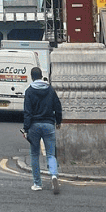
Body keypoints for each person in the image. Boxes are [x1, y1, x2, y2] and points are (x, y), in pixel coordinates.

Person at [21, 66, 62, 194]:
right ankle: (54, 175)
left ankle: (37, 184)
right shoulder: (50, 90)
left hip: (34, 125)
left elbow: (27, 112)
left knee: (34, 154)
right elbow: (58, 107)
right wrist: (58, 121)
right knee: (50, 154)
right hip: (49, 124)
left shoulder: (29, 91)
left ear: (32, 76)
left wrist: (26, 129)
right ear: (41, 75)